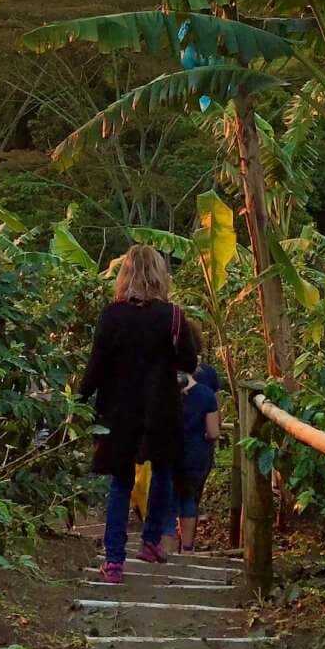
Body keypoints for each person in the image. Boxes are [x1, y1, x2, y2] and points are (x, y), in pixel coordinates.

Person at [78, 244, 198, 582]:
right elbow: (188, 361)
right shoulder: (173, 315)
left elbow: (96, 366)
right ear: (160, 273)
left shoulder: (111, 314)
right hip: (160, 407)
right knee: (162, 472)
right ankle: (150, 541)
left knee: (121, 481)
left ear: (125, 273)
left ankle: (114, 561)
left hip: (118, 410)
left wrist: (78, 399)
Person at [174, 360, 221, 552]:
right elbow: (214, 432)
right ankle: (186, 547)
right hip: (197, 453)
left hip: (170, 452)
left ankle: (165, 548)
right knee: (189, 498)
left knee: (168, 498)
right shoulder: (206, 393)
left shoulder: (163, 391)